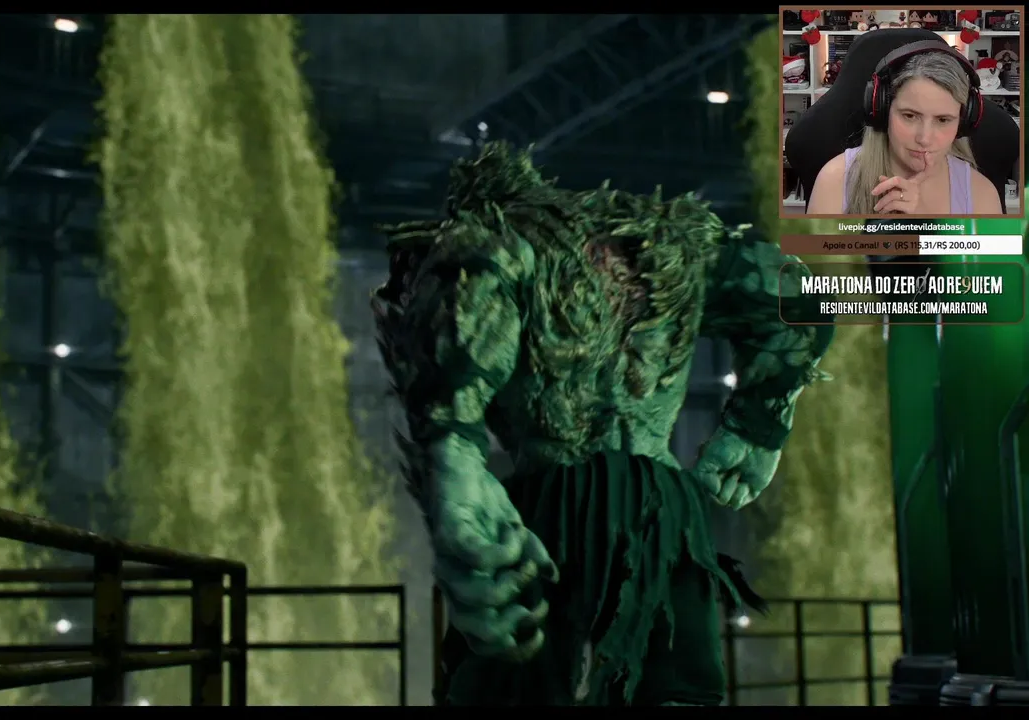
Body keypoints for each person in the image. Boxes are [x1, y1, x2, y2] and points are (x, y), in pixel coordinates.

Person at [372, 143, 834, 706]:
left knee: (513, 683)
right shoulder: (673, 241)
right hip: (664, 505)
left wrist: (454, 453)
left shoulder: (503, 238)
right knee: (675, 687)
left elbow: (469, 297)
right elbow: (799, 294)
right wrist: (756, 428)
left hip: (553, 497)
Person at [806, 41, 1005, 216]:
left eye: (943, 120)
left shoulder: (982, 193)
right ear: (883, 111)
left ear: (963, 122)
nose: (924, 138)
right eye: (909, 116)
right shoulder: (836, 179)